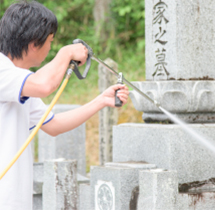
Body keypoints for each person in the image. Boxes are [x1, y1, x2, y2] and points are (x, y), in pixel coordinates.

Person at [0, 1, 129, 209]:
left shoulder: (21, 84)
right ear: (34, 43)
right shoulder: (4, 72)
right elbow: (44, 85)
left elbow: (54, 125)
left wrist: (101, 100)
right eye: (50, 41)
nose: (50, 47)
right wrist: (65, 53)